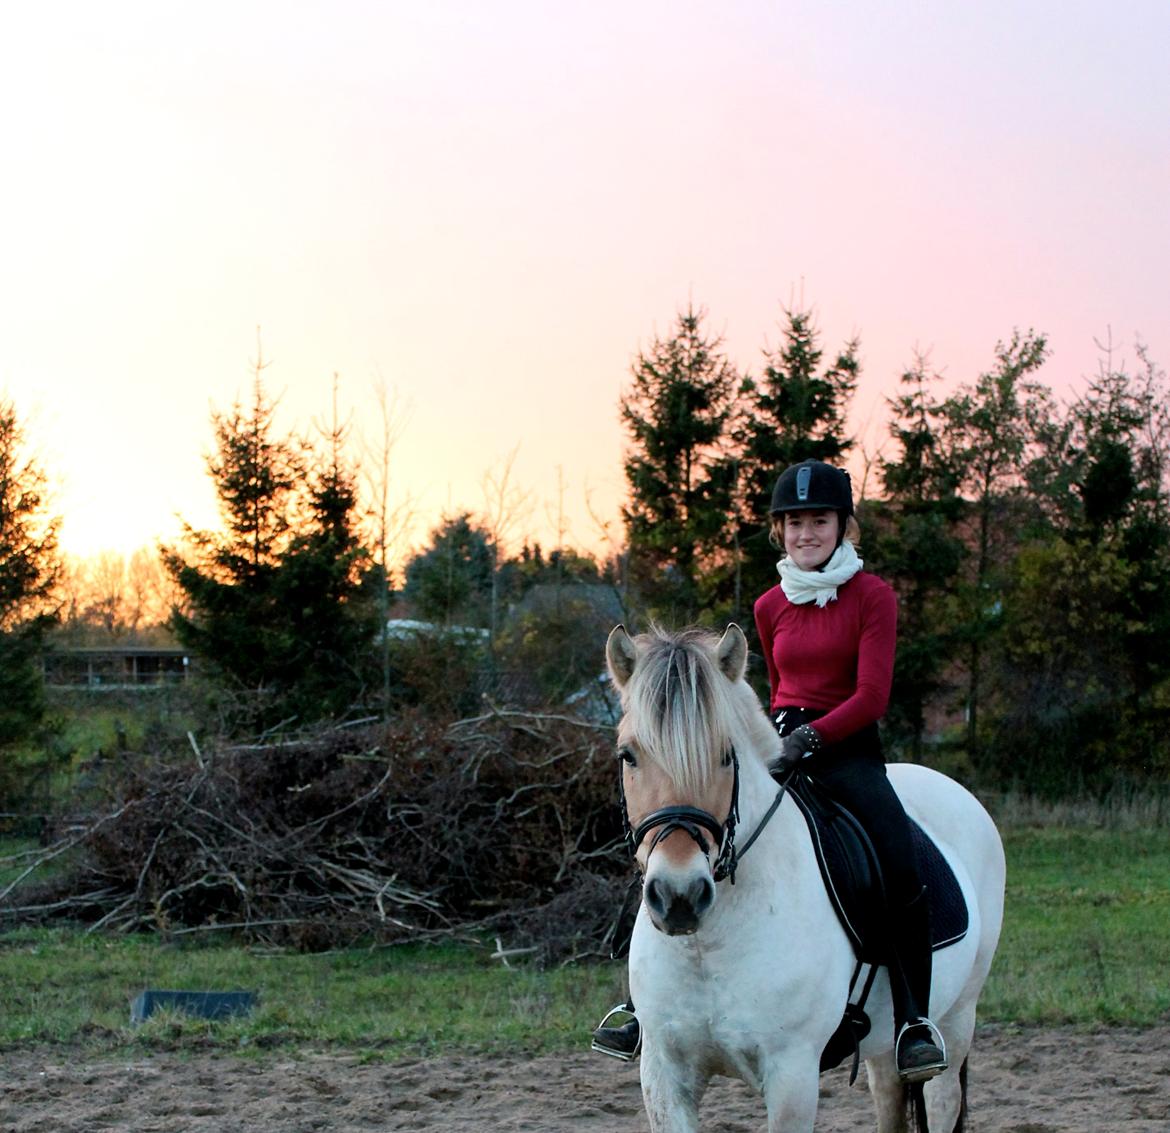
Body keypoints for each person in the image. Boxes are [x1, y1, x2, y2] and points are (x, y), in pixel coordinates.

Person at [593, 458, 946, 1083]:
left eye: (820, 521)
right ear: (779, 530)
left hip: (848, 750)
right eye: (795, 523)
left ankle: (914, 1020)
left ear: (843, 525)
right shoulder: (769, 605)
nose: (807, 533)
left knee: (897, 859)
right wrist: (777, 740)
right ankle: (643, 1006)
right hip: (777, 746)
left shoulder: (872, 597)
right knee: (680, 836)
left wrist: (814, 736)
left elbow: (871, 696)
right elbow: (780, 689)